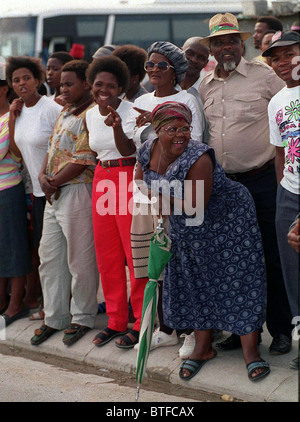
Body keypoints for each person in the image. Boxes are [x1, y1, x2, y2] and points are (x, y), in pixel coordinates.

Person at [136, 101, 269, 382]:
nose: (180, 134)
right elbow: (140, 180)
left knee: (237, 280)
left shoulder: (198, 155)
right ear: (157, 130)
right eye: (172, 129)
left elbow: (196, 203)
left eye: (186, 127)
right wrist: (152, 199)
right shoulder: (146, 150)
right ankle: (202, 349)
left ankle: (251, 353)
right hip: (186, 228)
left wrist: (159, 199)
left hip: (228, 221)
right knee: (195, 282)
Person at [199, 13, 293, 355]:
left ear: (242, 44)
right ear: (211, 47)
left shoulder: (265, 77)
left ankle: (281, 330)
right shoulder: (204, 85)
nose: (226, 47)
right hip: (224, 187)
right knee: (232, 261)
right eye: (219, 42)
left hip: (265, 180)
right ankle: (241, 331)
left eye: (232, 40)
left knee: (273, 255)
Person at [128, 41, 205, 350]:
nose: (154, 70)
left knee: (180, 261)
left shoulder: (188, 99)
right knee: (154, 262)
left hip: (176, 190)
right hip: (146, 190)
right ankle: (165, 328)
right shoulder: (142, 100)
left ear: (176, 70)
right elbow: (138, 149)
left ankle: (189, 332)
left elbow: (191, 145)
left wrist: (160, 126)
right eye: (150, 65)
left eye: (161, 65)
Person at [30, 60, 99, 346]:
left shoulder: (92, 113)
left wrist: (52, 181)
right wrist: (42, 175)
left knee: (80, 259)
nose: (63, 89)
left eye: (70, 84)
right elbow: (51, 147)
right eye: (61, 85)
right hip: (53, 193)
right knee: (49, 258)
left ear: (86, 83)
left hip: (76, 191)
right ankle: (55, 318)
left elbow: (83, 159)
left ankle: (82, 317)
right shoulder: (66, 111)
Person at [85, 56, 148, 349]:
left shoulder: (132, 110)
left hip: (127, 176)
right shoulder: (88, 114)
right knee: (107, 254)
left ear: (121, 87)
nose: (105, 89)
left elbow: (130, 149)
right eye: (99, 84)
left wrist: (117, 127)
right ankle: (115, 320)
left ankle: (140, 322)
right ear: (91, 85)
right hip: (101, 177)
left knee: (133, 252)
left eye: (112, 85)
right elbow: (96, 150)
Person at [6, 56, 62, 315]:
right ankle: (50, 304)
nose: (21, 83)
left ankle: (65, 307)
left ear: (38, 80)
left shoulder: (50, 108)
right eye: (16, 80)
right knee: (44, 251)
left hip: (58, 187)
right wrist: (11, 120)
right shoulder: (18, 112)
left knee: (63, 253)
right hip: (36, 192)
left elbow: (64, 144)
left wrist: (56, 181)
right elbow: (17, 153)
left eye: (26, 78)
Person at [263, 30, 300, 369]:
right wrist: (282, 191)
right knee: (292, 269)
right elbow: (279, 152)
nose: (283, 62)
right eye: (275, 58)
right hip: (288, 192)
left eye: (290, 54)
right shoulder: (276, 102)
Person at [0, 74, 32, 325]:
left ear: (3, 90)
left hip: (9, 190)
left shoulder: (11, 118)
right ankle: (3, 300)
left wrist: (10, 117)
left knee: (15, 248)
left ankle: (16, 303)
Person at [181, 37, 210, 143]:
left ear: (206, 63)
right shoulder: (166, 88)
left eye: (201, 58)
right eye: (189, 53)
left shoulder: (209, 94)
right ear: (180, 51)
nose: (193, 60)